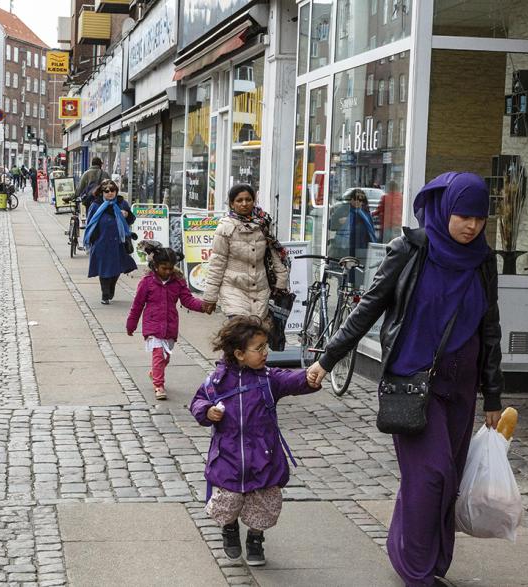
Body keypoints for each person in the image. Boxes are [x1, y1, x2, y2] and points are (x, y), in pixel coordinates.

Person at [307, 172, 504, 587]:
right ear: (445, 208)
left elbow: (490, 328)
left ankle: (424, 556)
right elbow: (368, 308)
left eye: (480, 219)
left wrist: (493, 395)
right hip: (413, 383)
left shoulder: (483, 259)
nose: (471, 226)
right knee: (431, 475)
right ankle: (415, 571)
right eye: (463, 216)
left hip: (462, 387)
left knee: (444, 479)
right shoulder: (411, 249)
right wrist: (328, 359)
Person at [190, 316, 319, 566]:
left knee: (264, 502)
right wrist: (207, 411)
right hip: (228, 455)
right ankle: (229, 528)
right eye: (259, 348)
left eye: (265, 346)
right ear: (239, 353)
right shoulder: (218, 380)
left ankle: (255, 538)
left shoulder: (268, 379)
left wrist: (311, 376)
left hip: (264, 454)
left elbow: (292, 380)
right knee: (228, 500)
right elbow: (198, 400)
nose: (265, 352)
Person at [126, 244, 210, 400]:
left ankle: (154, 373)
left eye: (170, 268)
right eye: (164, 268)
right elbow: (137, 305)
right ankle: (159, 385)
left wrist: (203, 306)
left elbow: (187, 300)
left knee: (165, 357)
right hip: (152, 324)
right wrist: (131, 324)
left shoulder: (178, 282)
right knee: (158, 354)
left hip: (170, 324)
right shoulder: (147, 282)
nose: (168, 272)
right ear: (155, 266)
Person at [202, 184, 289, 320]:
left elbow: (273, 254)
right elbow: (217, 263)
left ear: (254, 201)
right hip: (233, 288)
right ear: (231, 204)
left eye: (248, 200)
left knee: (257, 334)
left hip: (260, 289)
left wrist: (281, 281)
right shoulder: (225, 227)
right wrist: (210, 296)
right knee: (241, 332)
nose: (244, 204)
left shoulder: (263, 223)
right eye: (239, 200)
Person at [83, 179, 137, 304]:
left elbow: (131, 218)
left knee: (116, 269)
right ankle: (105, 294)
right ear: (101, 192)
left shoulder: (121, 203)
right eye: (106, 191)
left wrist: (126, 215)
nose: (110, 193)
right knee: (104, 269)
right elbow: (90, 223)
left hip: (118, 242)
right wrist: (92, 239)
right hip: (102, 242)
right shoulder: (96, 205)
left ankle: (111, 287)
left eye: (112, 190)